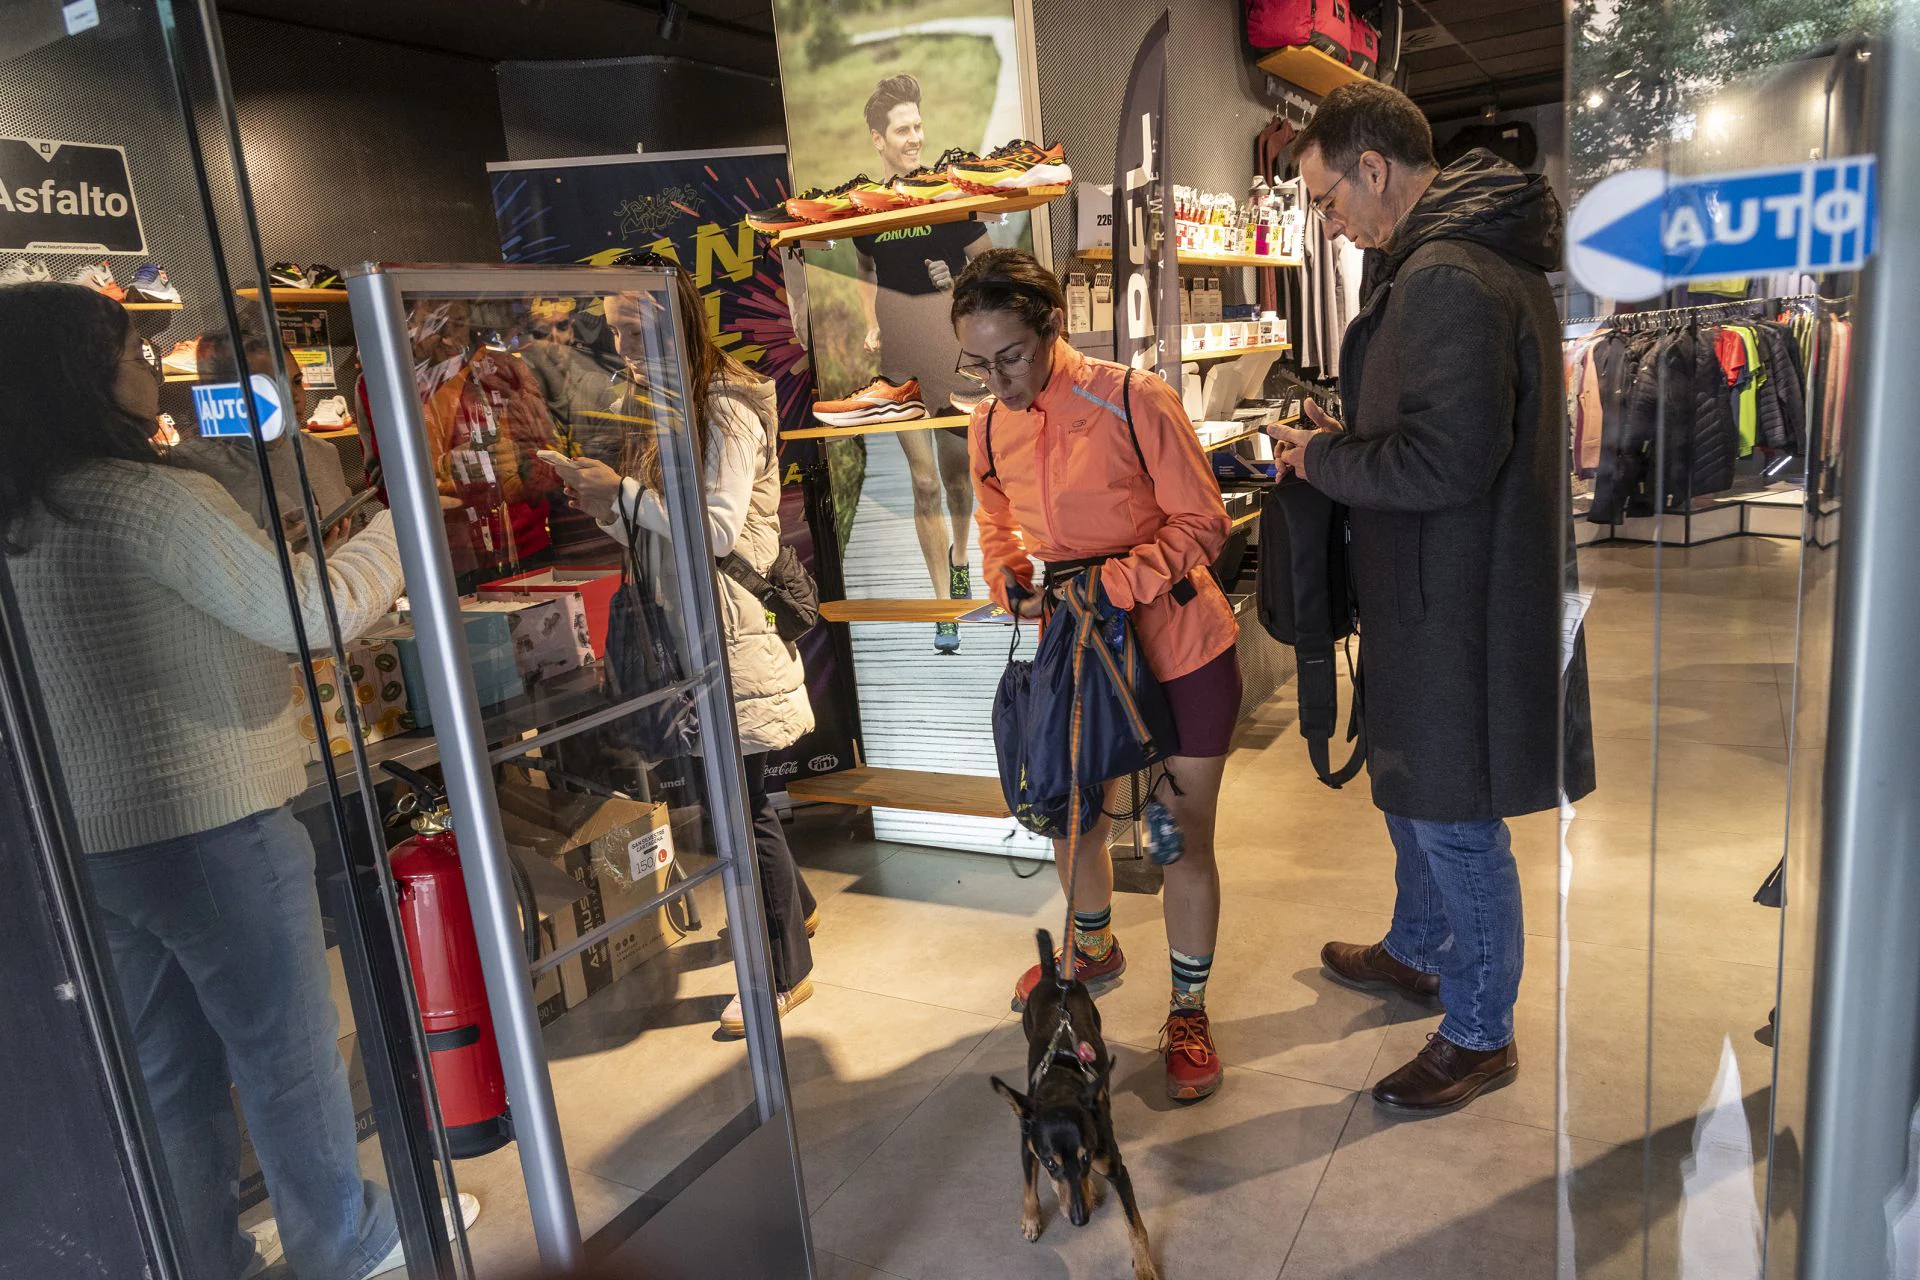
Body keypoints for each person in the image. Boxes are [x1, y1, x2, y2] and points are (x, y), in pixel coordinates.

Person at [0, 282, 475, 1277]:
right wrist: (402, 519)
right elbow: (319, 613)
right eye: (134, 354)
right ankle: (343, 1241)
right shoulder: (156, 498)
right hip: (215, 828)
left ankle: (198, 1253)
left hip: (84, 845)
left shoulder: (23, 515)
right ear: (87, 377)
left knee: (165, 1074)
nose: (150, 372)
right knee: (287, 1060)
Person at [1269, 81, 1595, 1114]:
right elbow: (1435, 429)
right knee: (1415, 789)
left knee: (1453, 813)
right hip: (1438, 589)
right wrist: (1343, 427)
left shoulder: (1449, 273)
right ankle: (1421, 947)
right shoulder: (1454, 259)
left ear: (1374, 169)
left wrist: (1322, 456)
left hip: (1455, 600)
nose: (1329, 220)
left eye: (1326, 198)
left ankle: (1481, 1027)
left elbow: (1446, 462)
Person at [955, 249, 1240, 1103]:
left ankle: (1187, 1007)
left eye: (1012, 356)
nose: (999, 379)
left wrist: (1119, 582)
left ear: (1054, 329)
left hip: (1176, 647)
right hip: (1073, 649)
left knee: (1172, 832)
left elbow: (1204, 520)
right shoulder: (987, 425)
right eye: (979, 361)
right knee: (1072, 816)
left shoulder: (1129, 397)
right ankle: (1093, 948)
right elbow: (996, 518)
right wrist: (1005, 571)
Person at [558, 263, 820, 1037]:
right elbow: (659, 538)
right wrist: (608, 506)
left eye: (634, 329)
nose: (622, 345)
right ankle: (793, 914)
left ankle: (783, 975)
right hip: (694, 640)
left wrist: (626, 495)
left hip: (731, 638)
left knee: (740, 814)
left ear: (675, 325)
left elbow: (715, 530)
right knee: (731, 804)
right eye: (613, 330)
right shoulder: (665, 408)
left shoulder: (725, 407)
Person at [854, 72, 991, 654]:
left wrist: (957, 281)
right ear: (877, 140)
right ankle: (944, 607)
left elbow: (991, 267)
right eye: (902, 129)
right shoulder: (868, 205)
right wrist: (870, 322)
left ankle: (962, 560)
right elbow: (865, 269)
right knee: (923, 480)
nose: (915, 137)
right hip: (899, 358)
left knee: (958, 476)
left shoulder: (948, 196)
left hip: (949, 353)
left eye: (918, 126)